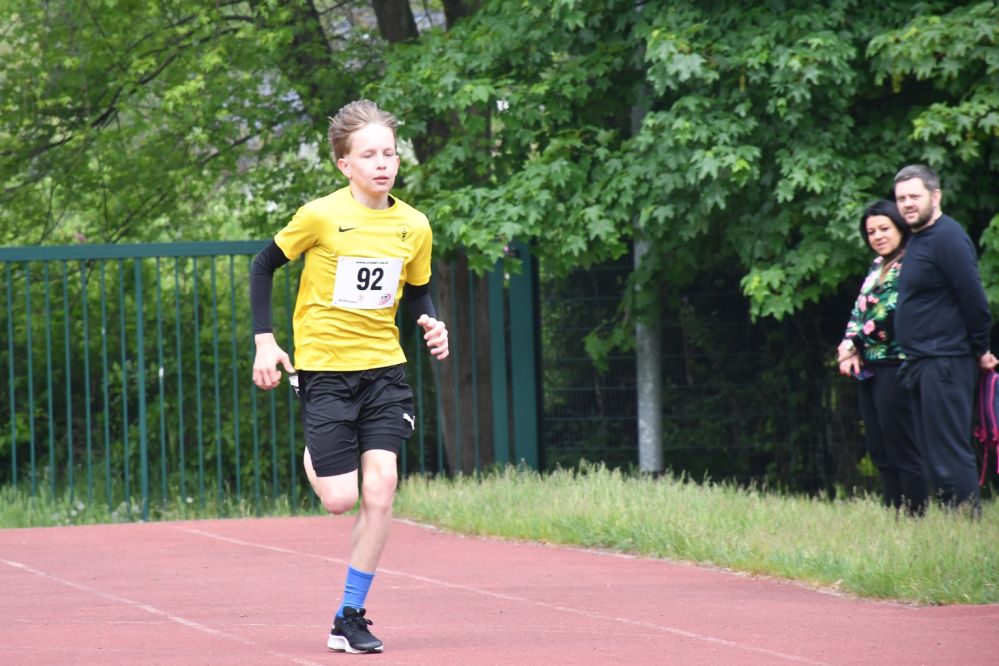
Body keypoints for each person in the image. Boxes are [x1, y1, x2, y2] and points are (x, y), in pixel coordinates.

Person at [249, 99, 449, 653]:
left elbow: (418, 291)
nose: (383, 163)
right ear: (345, 164)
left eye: (390, 153)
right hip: (325, 371)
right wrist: (265, 340)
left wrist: (432, 322)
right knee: (340, 499)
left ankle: (350, 615)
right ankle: (316, 447)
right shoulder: (320, 216)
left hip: (384, 370)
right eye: (369, 155)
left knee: (381, 488)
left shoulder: (414, 224)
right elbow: (263, 265)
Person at [892, 164, 997, 512]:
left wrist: (980, 348)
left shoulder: (948, 237)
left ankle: (965, 521)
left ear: (935, 196)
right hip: (923, 361)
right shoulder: (919, 239)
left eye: (914, 196)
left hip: (946, 360)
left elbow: (974, 299)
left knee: (950, 451)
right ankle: (954, 519)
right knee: (933, 451)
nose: (907, 204)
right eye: (901, 198)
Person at [837, 200, 928, 515]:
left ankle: (915, 517)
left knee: (902, 445)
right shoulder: (877, 265)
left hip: (897, 363)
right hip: (869, 365)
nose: (877, 236)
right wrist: (847, 345)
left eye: (884, 229)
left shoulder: (911, 264)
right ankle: (893, 515)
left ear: (900, 228)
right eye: (871, 231)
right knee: (879, 447)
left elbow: (889, 312)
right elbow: (859, 310)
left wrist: (852, 345)